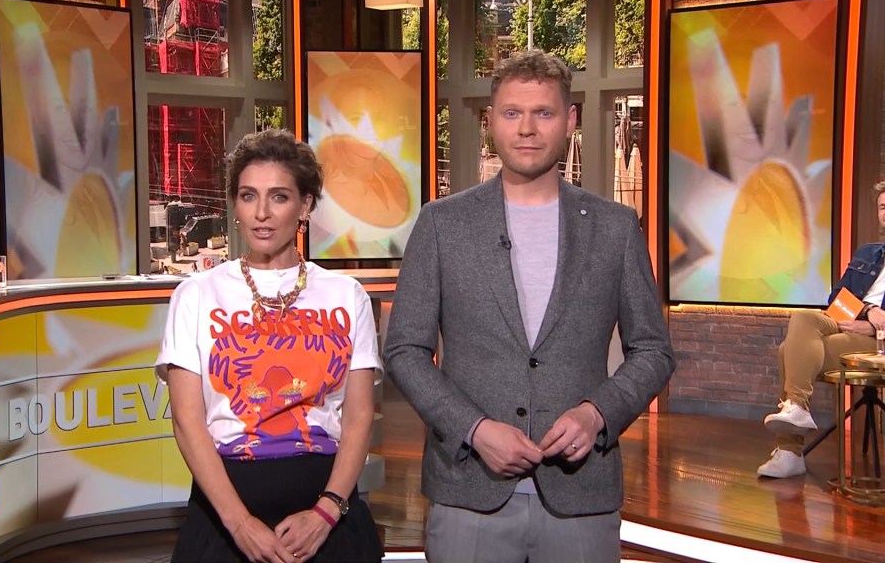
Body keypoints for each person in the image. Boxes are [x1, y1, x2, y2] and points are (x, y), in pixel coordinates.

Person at [383, 50, 675, 563]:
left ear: (570, 120)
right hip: (468, 488)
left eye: (544, 113)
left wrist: (597, 414)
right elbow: (405, 350)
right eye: (512, 113)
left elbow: (653, 350)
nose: (527, 129)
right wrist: (475, 429)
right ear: (490, 120)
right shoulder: (442, 223)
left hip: (581, 494)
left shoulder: (614, 227)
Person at [155, 129, 384, 562]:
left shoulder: (346, 295)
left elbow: (358, 417)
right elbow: (187, 421)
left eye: (279, 197)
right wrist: (240, 524)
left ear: (305, 205)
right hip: (226, 509)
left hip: (327, 505)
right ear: (235, 205)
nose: (261, 213)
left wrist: (325, 514)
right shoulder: (197, 295)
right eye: (248, 196)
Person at [758, 180, 885, 479]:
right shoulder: (868, 253)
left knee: (787, 351)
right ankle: (797, 408)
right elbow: (837, 299)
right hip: (849, 321)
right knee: (803, 318)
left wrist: (873, 326)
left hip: (878, 341)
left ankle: (790, 451)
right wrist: (867, 311)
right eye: (882, 207)